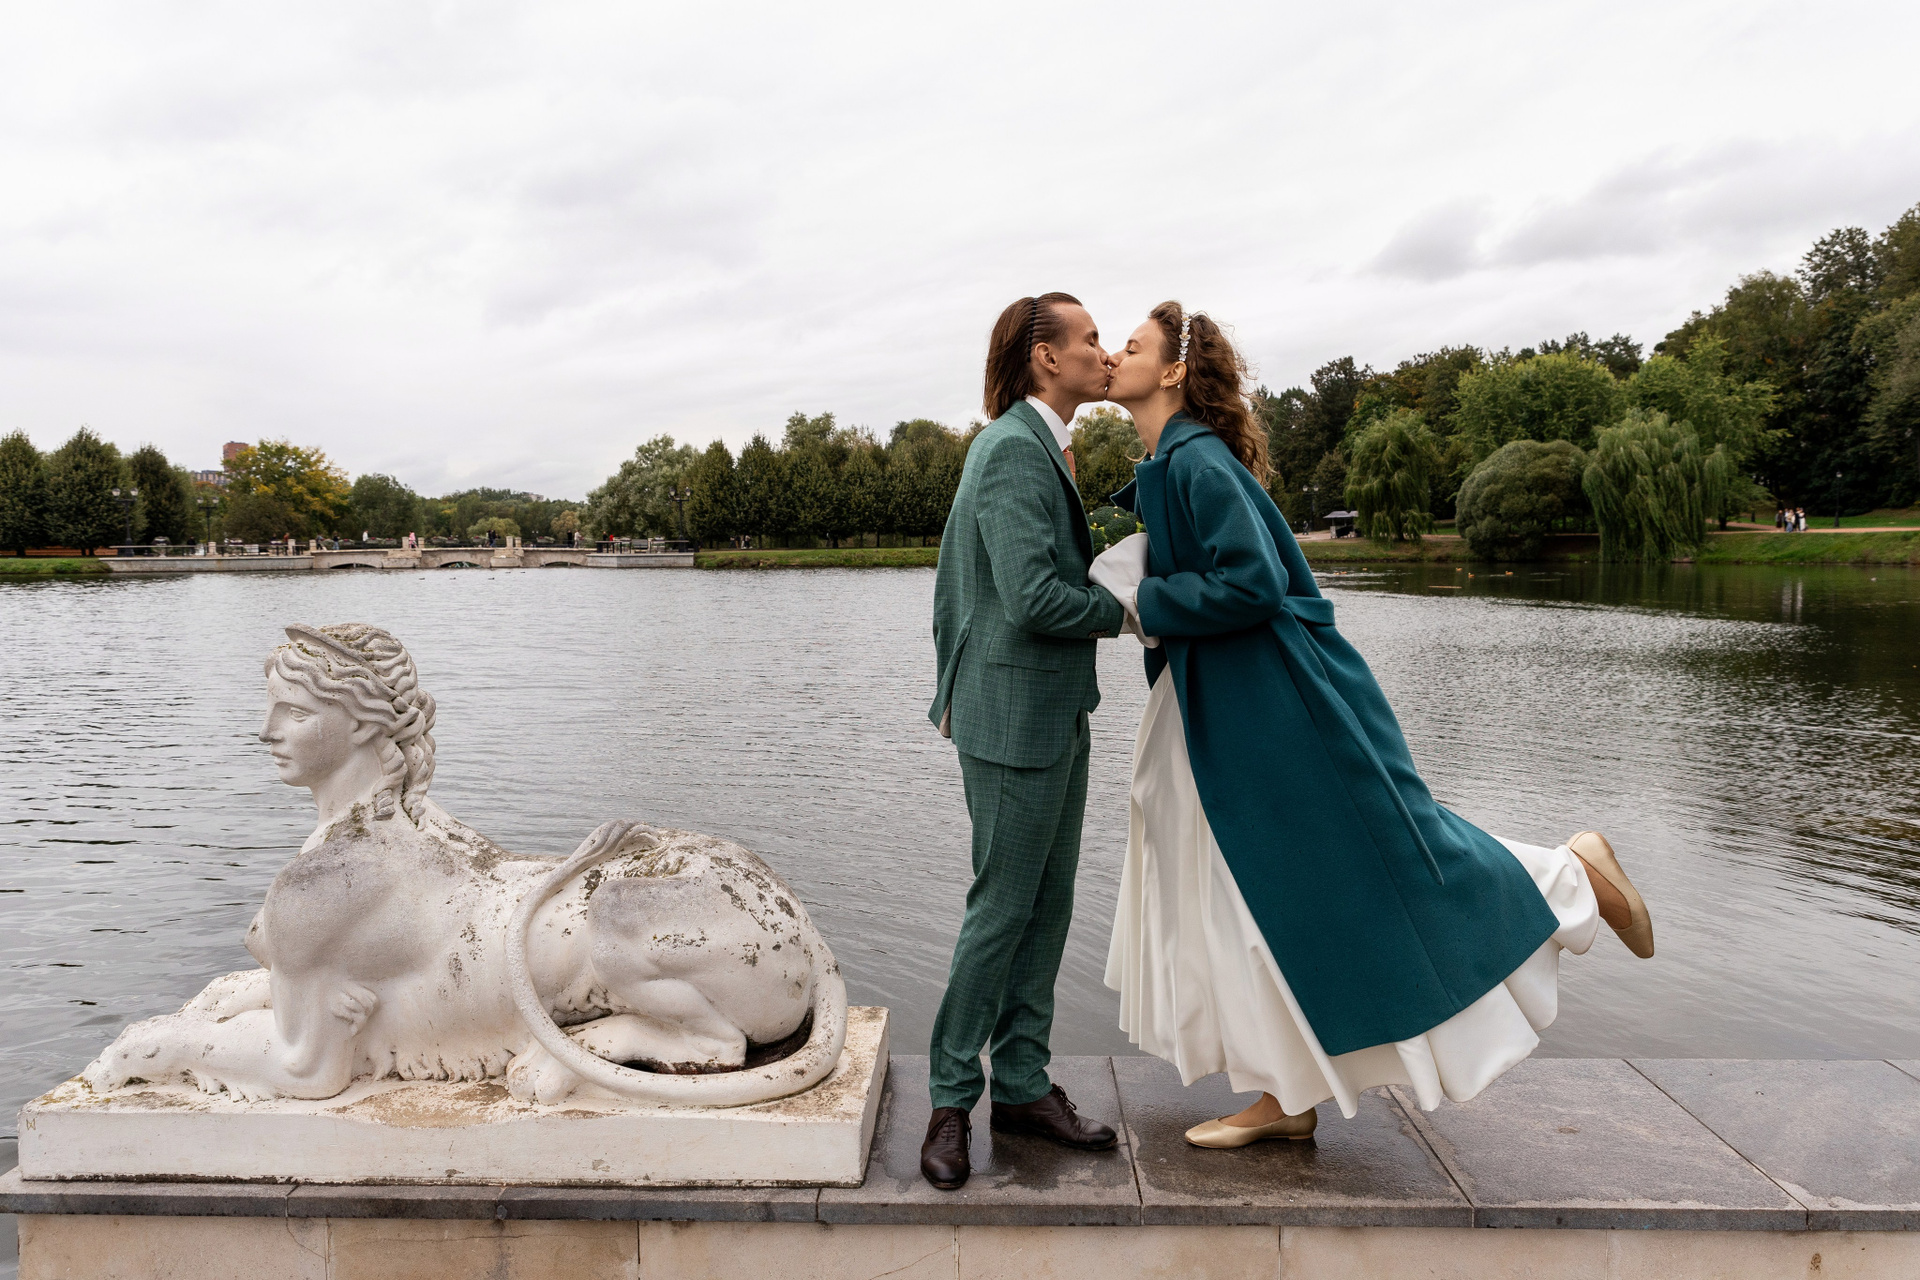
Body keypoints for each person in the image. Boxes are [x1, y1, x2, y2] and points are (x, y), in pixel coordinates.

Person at [1087, 302, 1655, 1149]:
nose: (1113, 356)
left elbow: (1252, 585)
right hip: (1227, 700)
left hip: (1273, 703)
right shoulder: (1173, 461)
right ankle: (1284, 1091)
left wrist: (1141, 597)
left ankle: (1570, 876)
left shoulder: (1196, 460)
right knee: (1242, 892)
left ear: (1172, 370)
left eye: (1131, 346)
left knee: (1365, 860)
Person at [921, 293, 1127, 1190]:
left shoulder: (1046, 444)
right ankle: (949, 1099)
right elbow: (1034, 597)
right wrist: (1134, 607)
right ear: (1046, 356)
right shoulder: (1010, 447)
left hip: (1055, 708)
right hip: (1011, 717)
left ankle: (1023, 1086)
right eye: (1090, 339)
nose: (1104, 352)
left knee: (1047, 907)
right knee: (1002, 909)